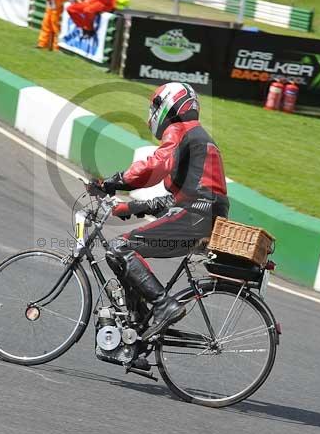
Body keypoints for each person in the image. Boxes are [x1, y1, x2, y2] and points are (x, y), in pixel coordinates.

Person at [93, 82, 228, 341]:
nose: (151, 115)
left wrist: (114, 181)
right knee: (121, 252)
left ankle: (164, 305)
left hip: (196, 214)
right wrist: (126, 208)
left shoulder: (182, 129)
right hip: (203, 213)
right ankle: (138, 326)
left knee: (119, 248)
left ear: (171, 104)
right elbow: (170, 201)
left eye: (154, 106)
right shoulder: (196, 138)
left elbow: (153, 166)